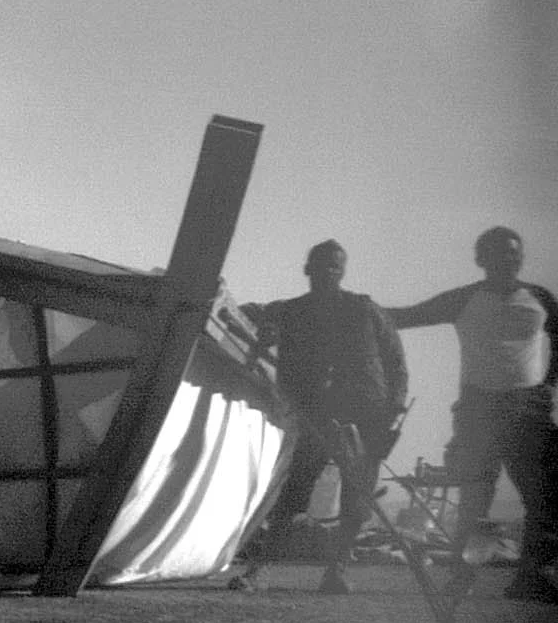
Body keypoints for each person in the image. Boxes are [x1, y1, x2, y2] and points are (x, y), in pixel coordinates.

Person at [384, 228, 558, 603]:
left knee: (544, 494)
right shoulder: (464, 299)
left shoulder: (541, 298)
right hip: (479, 409)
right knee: (476, 497)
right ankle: (463, 576)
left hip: (528, 408)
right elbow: (407, 316)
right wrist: (359, 311)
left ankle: (532, 576)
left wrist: (549, 384)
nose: (509, 260)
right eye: (499, 253)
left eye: (514, 253)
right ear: (481, 259)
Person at [233, 242, 409, 595]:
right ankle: (259, 570)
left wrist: (393, 410)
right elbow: (250, 313)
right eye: (321, 264)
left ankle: (336, 572)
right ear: (307, 269)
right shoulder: (291, 311)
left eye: (335, 266)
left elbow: (395, 361)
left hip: (367, 417)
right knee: (293, 494)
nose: (328, 271)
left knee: (356, 500)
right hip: (318, 416)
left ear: (343, 271)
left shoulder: (365, 309)